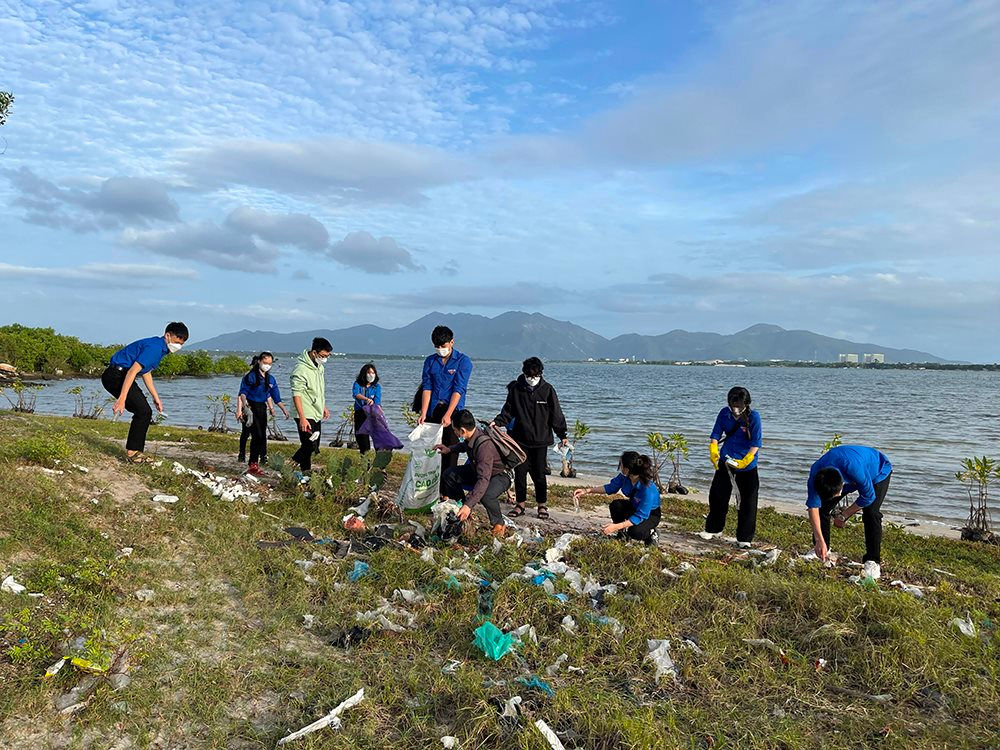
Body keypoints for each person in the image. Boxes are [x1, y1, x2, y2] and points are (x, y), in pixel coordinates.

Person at [101, 321, 188, 463]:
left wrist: (156, 397)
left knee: (144, 411)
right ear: (168, 335)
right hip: (116, 376)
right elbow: (132, 372)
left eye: (182, 344)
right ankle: (133, 453)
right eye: (177, 342)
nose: (179, 346)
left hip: (120, 375)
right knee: (143, 411)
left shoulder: (159, 347)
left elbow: (146, 372)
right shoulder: (155, 348)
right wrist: (122, 399)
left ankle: (135, 451)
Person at [493, 357, 568, 520]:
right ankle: (520, 504)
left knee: (539, 473)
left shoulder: (548, 390)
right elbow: (508, 411)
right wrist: (496, 423)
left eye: (535, 376)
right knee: (520, 472)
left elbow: (556, 414)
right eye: (529, 376)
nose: (532, 379)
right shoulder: (516, 390)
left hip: (541, 440)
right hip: (520, 439)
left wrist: (562, 434)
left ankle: (542, 505)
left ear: (540, 374)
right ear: (524, 374)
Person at [807, 444, 892, 579]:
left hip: (877, 470)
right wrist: (818, 540)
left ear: (842, 485)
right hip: (845, 470)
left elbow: (868, 496)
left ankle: (873, 560)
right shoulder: (816, 474)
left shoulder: (854, 469)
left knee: (871, 513)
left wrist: (844, 515)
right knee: (823, 507)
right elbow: (813, 507)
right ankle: (823, 549)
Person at [436, 409, 511, 538]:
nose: (454, 433)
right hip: (480, 471)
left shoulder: (484, 447)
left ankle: (499, 523)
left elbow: (483, 480)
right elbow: (464, 445)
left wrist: (469, 505)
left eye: (455, 430)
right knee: (449, 474)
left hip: (500, 476)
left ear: (463, 430)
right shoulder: (473, 435)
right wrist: (449, 449)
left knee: (487, 495)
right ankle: (463, 510)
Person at [702, 386, 762, 547]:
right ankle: (713, 529)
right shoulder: (724, 413)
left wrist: (747, 459)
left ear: (746, 404)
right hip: (725, 462)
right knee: (717, 496)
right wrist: (713, 451)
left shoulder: (754, 417)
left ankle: (744, 539)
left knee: (748, 502)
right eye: (733, 406)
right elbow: (715, 435)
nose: (736, 409)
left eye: (739, 406)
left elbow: (756, 443)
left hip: (746, 466)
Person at [417, 325, 473, 482]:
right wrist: (423, 413)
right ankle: (430, 484)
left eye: (443, 346)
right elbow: (427, 387)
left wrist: (449, 415)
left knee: (450, 450)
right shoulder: (430, 361)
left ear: (452, 342)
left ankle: (447, 490)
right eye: (437, 346)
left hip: (453, 410)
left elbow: (459, 389)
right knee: (431, 448)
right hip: (434, 408)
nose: (440, 349)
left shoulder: (463, 361)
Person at [574, 453, 661, 544]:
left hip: (650, 514)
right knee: (616, 505)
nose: (620, 467)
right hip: (634, 506)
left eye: (621, 464)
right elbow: (610, 488)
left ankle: (652, 533)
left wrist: (615, 527)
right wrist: (587, 491)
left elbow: (640, 515)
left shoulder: (648, 490)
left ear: (627, 469)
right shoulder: (624, 477)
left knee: (634, 532)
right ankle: (622, 535)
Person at [236, 352, 289, 476]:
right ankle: (252, 463)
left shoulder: (271, 379)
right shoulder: (250, 376)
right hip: (251, 407)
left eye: (270, 364)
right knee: (256, 435)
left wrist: (283, 409)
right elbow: (243, 393)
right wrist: (245, 407)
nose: (267, 366)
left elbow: (276, 397)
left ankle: (256, 462)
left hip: (262, 408)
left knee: (261, 436)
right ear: (259, 361)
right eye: (265, 363)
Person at [290, 337, 332, 474]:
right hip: (304, 411)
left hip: (316, 411)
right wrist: (302, 417)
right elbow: (296, 394)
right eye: (323, 356)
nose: (325, 359)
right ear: (314, 352)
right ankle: (301, 470)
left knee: (315, 444)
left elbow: (319, 390)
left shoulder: (320, 367)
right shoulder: (300, 369)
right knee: (308, 444)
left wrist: (323, 406)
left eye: (327, 356)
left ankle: (299, 469)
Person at [352, 363, 382, 454]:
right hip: (360, 414)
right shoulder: (357, 384)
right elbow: (356, 394)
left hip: (372, 414)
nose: (371, 375)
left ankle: (380, 463)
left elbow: (377, 400)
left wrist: (378, 411)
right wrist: (366, 399)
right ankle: (365, 462)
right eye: (369, 373)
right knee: (363, 440)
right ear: (364, 373)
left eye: (373, 373)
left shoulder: (376, 387)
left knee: (378, 438)